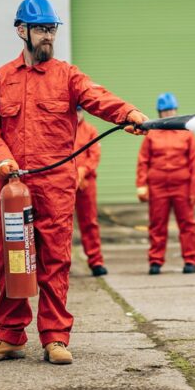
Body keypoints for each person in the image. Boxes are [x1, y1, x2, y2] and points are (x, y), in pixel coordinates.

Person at [0, 0, 147, 365]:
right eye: (41, 30)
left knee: (55, 259)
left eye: (52, 29)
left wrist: (128, 113)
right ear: (22, 31)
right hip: (14, 187)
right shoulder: (1, 79)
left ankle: (54, 338)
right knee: (13, 259)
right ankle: (9, 336)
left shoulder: (67, 76)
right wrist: (2, 159)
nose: (48, 36)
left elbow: (97, 98)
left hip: (55, 184)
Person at [136, 92, 195, 275]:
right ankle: (155, 261)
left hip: (182, 185)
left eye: (171, 110)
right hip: (158, 186)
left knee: (187, 224)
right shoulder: (152, 133)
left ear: (176, 110)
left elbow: (194, 163)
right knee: (157, 224)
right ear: (159, 112)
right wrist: (141, 185)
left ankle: (191, 260)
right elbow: (143, 160)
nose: (169, 114)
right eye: (165, 111)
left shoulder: (186, 133)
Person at [74, 106, 107, 277]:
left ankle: (96, 262)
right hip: (63, 182)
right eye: (74, 111)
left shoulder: (90, 131)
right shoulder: (61, 129)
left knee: (89, 222)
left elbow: (94, 155)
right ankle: (56, 264)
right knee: (57, 225)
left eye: (80, 110)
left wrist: (82, 171)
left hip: (86, 183)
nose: (77, 114)